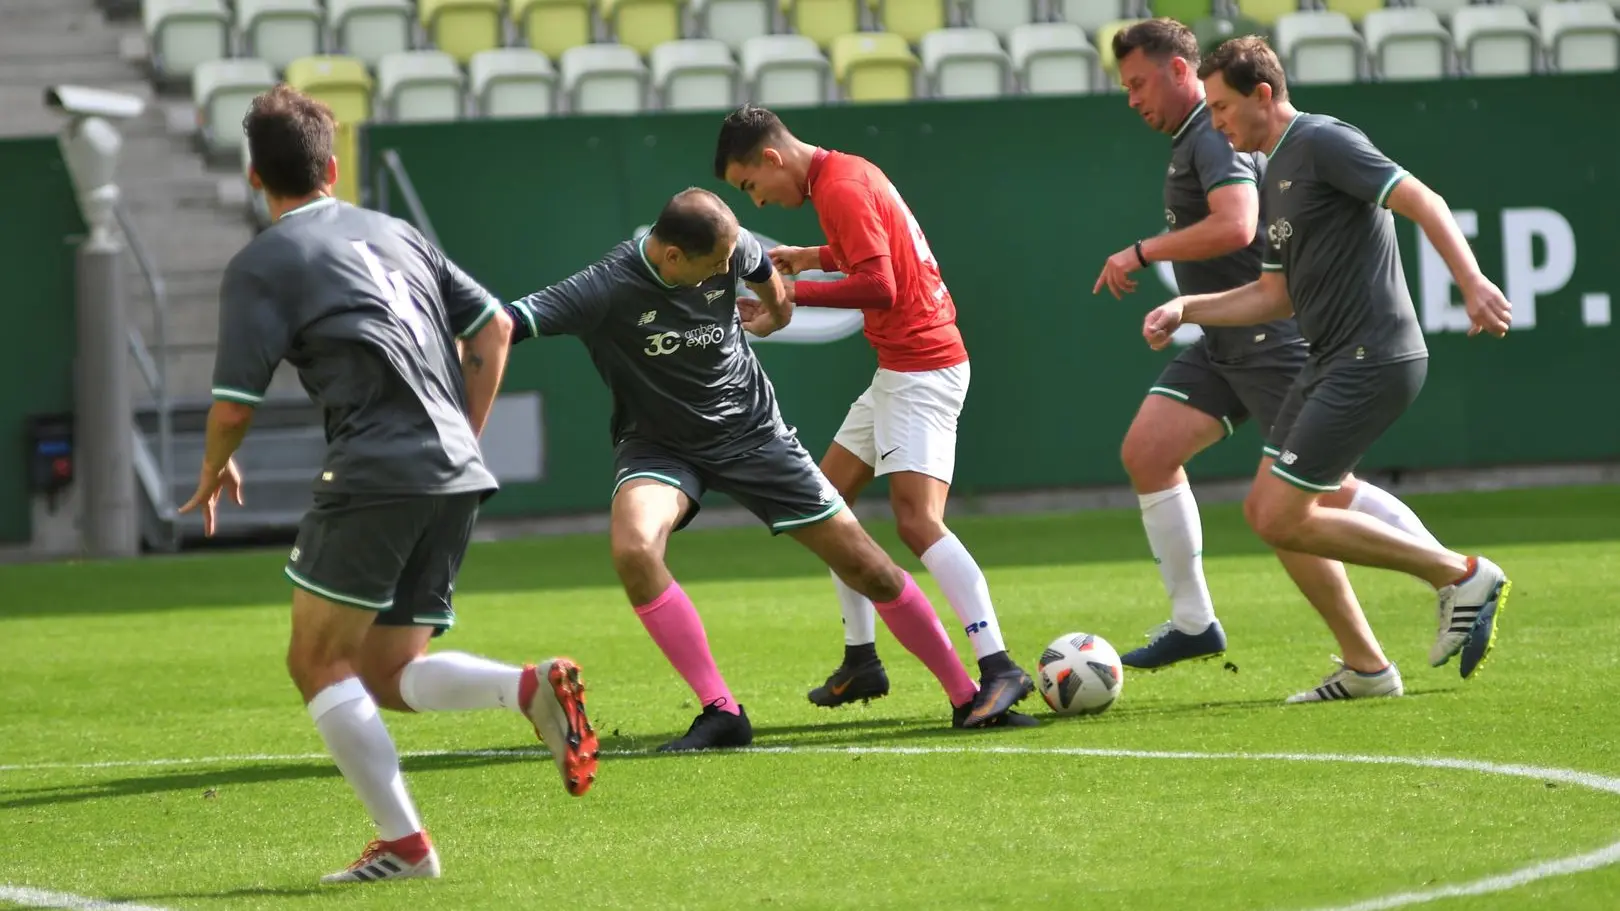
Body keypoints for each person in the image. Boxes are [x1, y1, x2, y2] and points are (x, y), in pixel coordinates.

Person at [178, 85, 599, 885]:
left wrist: (211, 466)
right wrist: (462, 433)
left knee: (315, 660)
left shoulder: (262, 261)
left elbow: (233, 405)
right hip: (453, 467)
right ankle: (526, 687)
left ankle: (405, 843)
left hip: (375, 465)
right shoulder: (396, 230)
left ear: (254, 177)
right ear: (332, 167)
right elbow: (494, 325)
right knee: (386, 670)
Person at [502, 188, 1032, 751]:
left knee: (871, 569)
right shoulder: (604, 287)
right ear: (674, 257)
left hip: (753, 433)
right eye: (716, 265)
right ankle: (722, 711)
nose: (727, 270)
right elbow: (507, 321)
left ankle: (965, 696)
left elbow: (764, 277)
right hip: (659, 447)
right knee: (634, 549)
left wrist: (776, 313)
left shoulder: (731, 248)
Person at [1140, 37, 1514, 702]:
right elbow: (1273, 296)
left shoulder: (1322, 142)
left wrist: (1472, 280)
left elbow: (1422, 199)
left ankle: (1460, 574)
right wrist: (1188, 307)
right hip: (1329, 359)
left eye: (1222, 106)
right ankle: (1368, 668)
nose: (1216, 121)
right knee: (1268, 512)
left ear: (1262, 95)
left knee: (1283, 515)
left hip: (1372, 356)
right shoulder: (1274, 170)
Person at [1097, 19, 1449, 673]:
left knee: (1306, 500)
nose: (1133, 98)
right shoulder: (1200, 133)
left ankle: (1445, 586)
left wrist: (1142, 252)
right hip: (1222, 340)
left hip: (1267, 339)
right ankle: (1194, 623)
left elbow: (1238, 224)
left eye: (1139, 83)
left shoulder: (1213, 133)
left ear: (1180, 72)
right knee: (1149, 452)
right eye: (1126, 88)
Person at [711, 104, 1034, 729]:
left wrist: (789, 294)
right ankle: (862, 659)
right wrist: (812, 256)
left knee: (918, 522)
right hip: (901, 368)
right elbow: (874, 253)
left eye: (751, 185)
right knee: (826, 506)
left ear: (772, 157)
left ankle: (998, 665)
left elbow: (880, 286)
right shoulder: (844, 175)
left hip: (922, 368)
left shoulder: (840, 187)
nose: (759, 202)